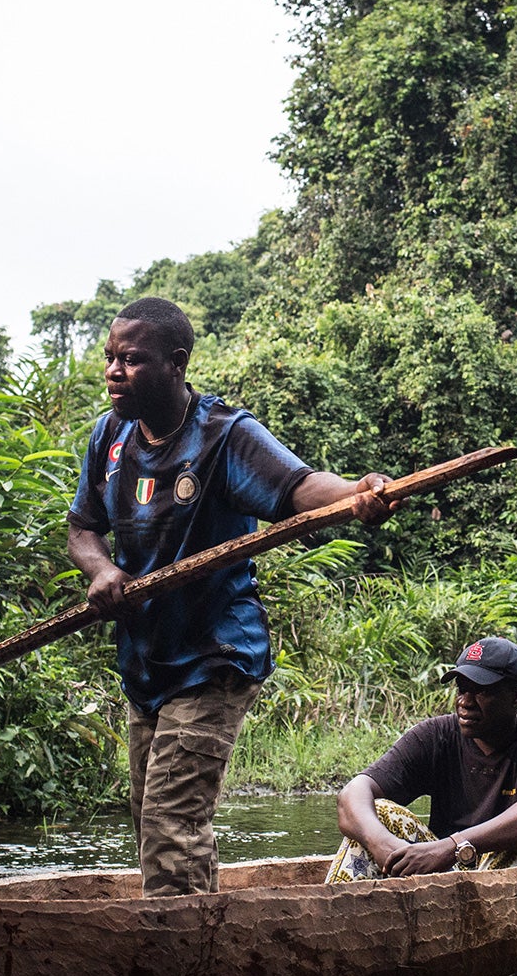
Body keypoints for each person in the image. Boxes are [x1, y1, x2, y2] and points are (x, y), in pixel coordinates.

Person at [67, 296, 394, 897]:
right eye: (110, 358)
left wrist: (356, 493)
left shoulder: (223, 437)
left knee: (170, 823)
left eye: (131, 360)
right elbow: (82, 528)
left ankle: (181, 966)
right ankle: (204, 930)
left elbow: (298, 487)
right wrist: (101, 570)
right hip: (147, 661)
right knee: (152, 820)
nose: (114, 371)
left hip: (214, 656)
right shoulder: (110, 437)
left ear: (176, 363)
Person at [329, 637, 517, 880]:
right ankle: (341, 917)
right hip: (448, 871)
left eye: (482, 691)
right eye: (462, 689)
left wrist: (453, 846)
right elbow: (352, 793)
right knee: (379, 811)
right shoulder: (437, 735)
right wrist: (382, 845)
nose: (465, 702)